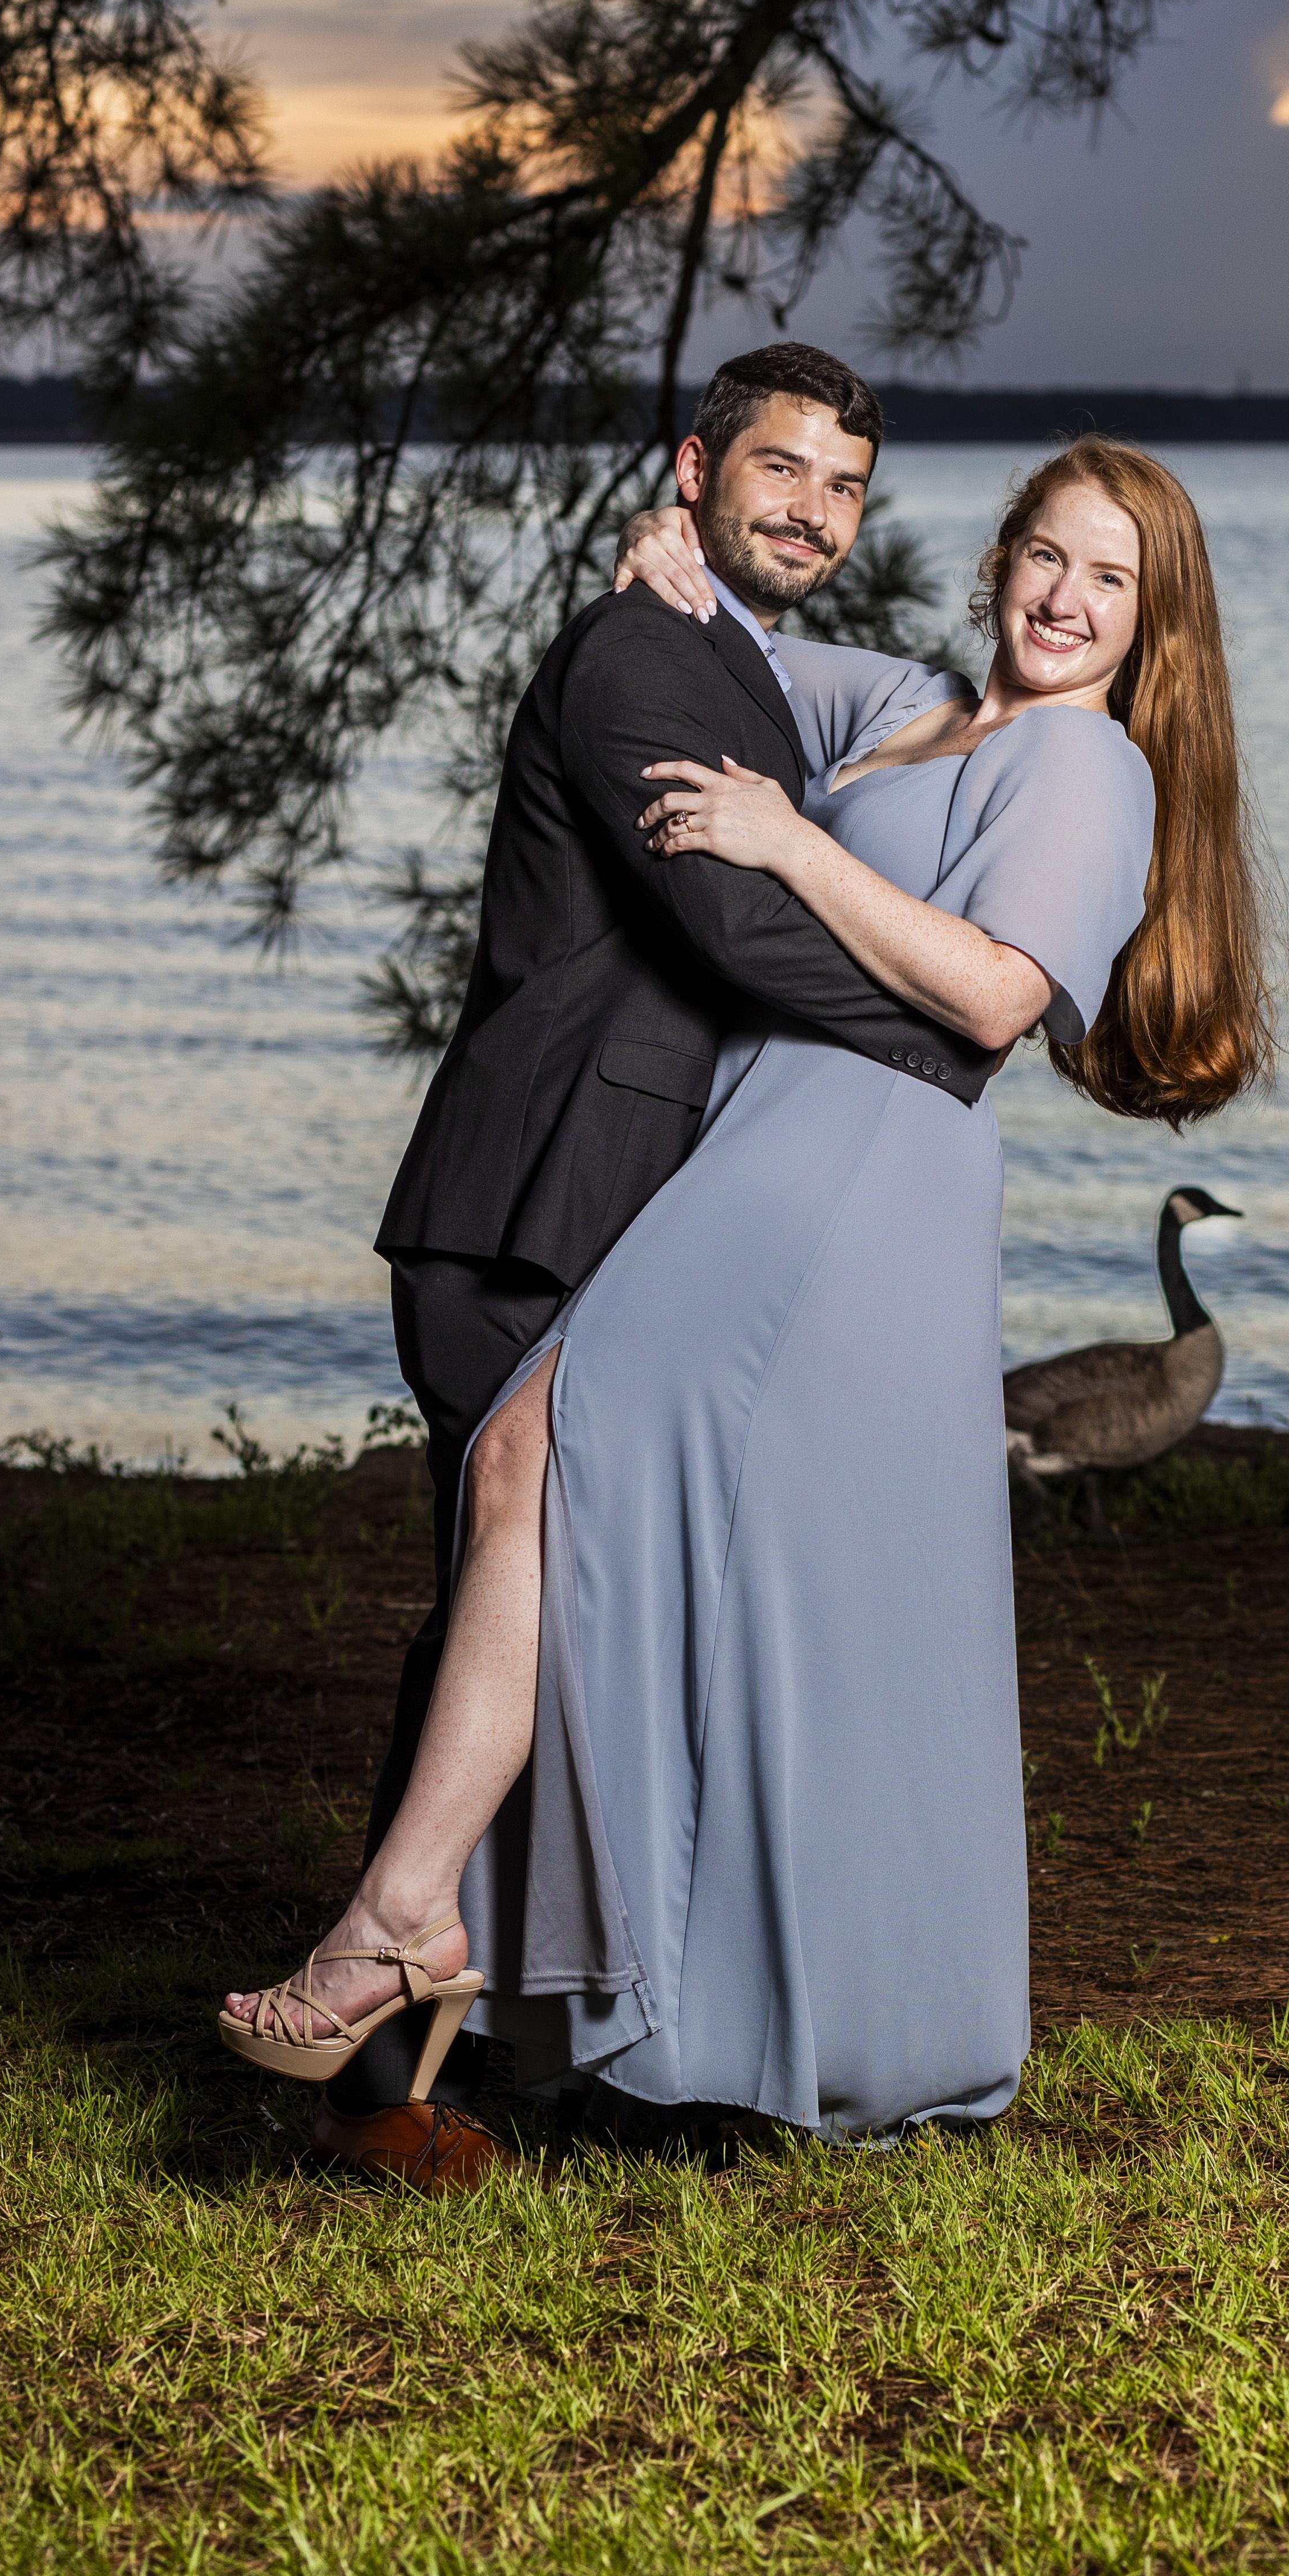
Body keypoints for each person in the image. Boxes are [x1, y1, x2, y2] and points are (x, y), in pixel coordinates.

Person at [225, 419, 1273, 2160]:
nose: (1067, 599)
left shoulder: (1090, 768)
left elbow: (996, 994)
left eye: (1113, 578)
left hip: (858, 1166)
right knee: (648, 1534)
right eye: (1047, 554)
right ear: (998, 558)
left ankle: (402, 1931)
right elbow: (732, 640)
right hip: (757, 1139)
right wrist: (670, 551)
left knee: (547, 1459)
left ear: (1153, 619)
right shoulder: (914, 701)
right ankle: (536, 1973)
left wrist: (790, 846)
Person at [297, 345, 1001, 2177]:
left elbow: (945, 711)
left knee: (589, 1619)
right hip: (534, 1200)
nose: (813, 512)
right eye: (779, 470)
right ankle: (380, 2085)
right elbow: (733, 927)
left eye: (843, 487)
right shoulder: (636, 657)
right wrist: (958, 1030)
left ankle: (566, 2038)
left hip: (637, 1208)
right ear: (695, 469)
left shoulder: (747, 664)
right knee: (502, 1608)